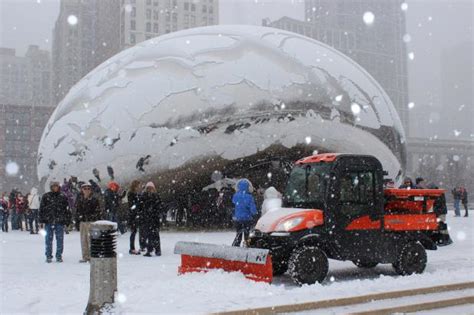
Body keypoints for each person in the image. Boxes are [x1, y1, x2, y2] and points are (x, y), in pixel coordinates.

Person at [39, 181, 72, 263]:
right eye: (53, 186)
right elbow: (41, 209)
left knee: (60, 240)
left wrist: (67, 221)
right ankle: (48, 255)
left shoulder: (63, 196)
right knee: (48, 240)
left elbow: (67, 210)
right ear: (51, 187)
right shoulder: (46, 196)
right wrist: (41, 221)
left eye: (56, 186)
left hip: (59, 221)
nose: (55, 187)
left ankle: (59, 255)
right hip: (48, 221)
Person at [76, 183, 102, 262]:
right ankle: (85, 256)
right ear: (82, 190)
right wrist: (78, 221)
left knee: (91, 240)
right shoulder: (80, 200)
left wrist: (94, 219)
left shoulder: (94, 200)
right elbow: (77, 211)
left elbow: (98, 212)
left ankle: (93, 256)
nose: (86, 190)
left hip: (92, 222)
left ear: (91, 190)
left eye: (88, 188)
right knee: (83, 240)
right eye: (85, 188)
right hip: (83, 222)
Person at [231, 179, 257, 247]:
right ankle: (246, 245)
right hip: (247, 218)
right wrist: (255, 213)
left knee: (238, 234)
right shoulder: (249, 197)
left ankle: (236, 246)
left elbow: (233, 203)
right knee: (246, 234)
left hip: (238, 219)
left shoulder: (235, 196)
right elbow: (252, 208)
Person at [140, 182, 163, 256]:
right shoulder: (144, 196)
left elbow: (159, 206)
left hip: (153, 219)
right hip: (148, 219)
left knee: (155, 235)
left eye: (151, 188)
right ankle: (150, 250)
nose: (149, 189)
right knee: (150, 235)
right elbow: (142, 206)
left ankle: (157, 250)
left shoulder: (155, 196)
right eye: (148, 188)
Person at [128, 180, 144, 255]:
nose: (139, 187)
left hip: (135, 215)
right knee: (133, 232)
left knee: (134, 231)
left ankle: (133, 248)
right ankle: (132, 248)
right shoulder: (131, 194)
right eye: (138, 185)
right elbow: (132, 205)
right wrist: (139, 201)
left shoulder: (135, 194)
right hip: (133, 215)